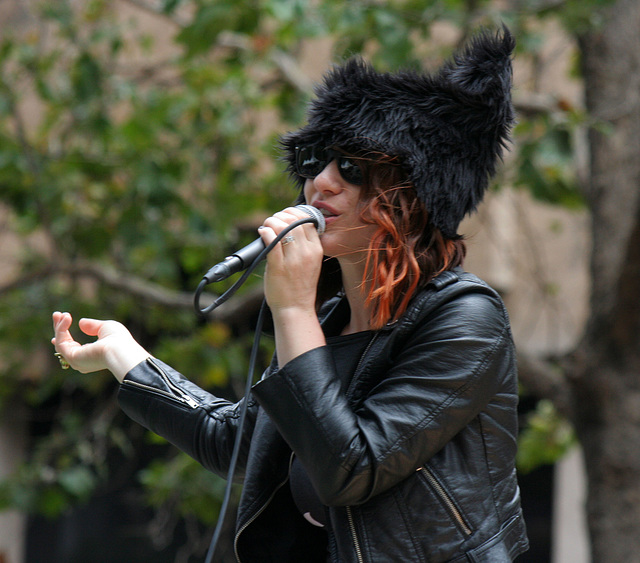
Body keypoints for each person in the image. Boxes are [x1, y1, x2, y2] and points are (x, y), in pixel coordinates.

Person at [52, 26, 529, 562]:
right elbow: (237, 442)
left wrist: (294, 308)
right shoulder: (324, 321)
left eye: (351, 167)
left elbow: (350, 469)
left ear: (412, 199)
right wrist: (127, 358)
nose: (320, 183)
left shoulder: (464, 319)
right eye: (317, 162)